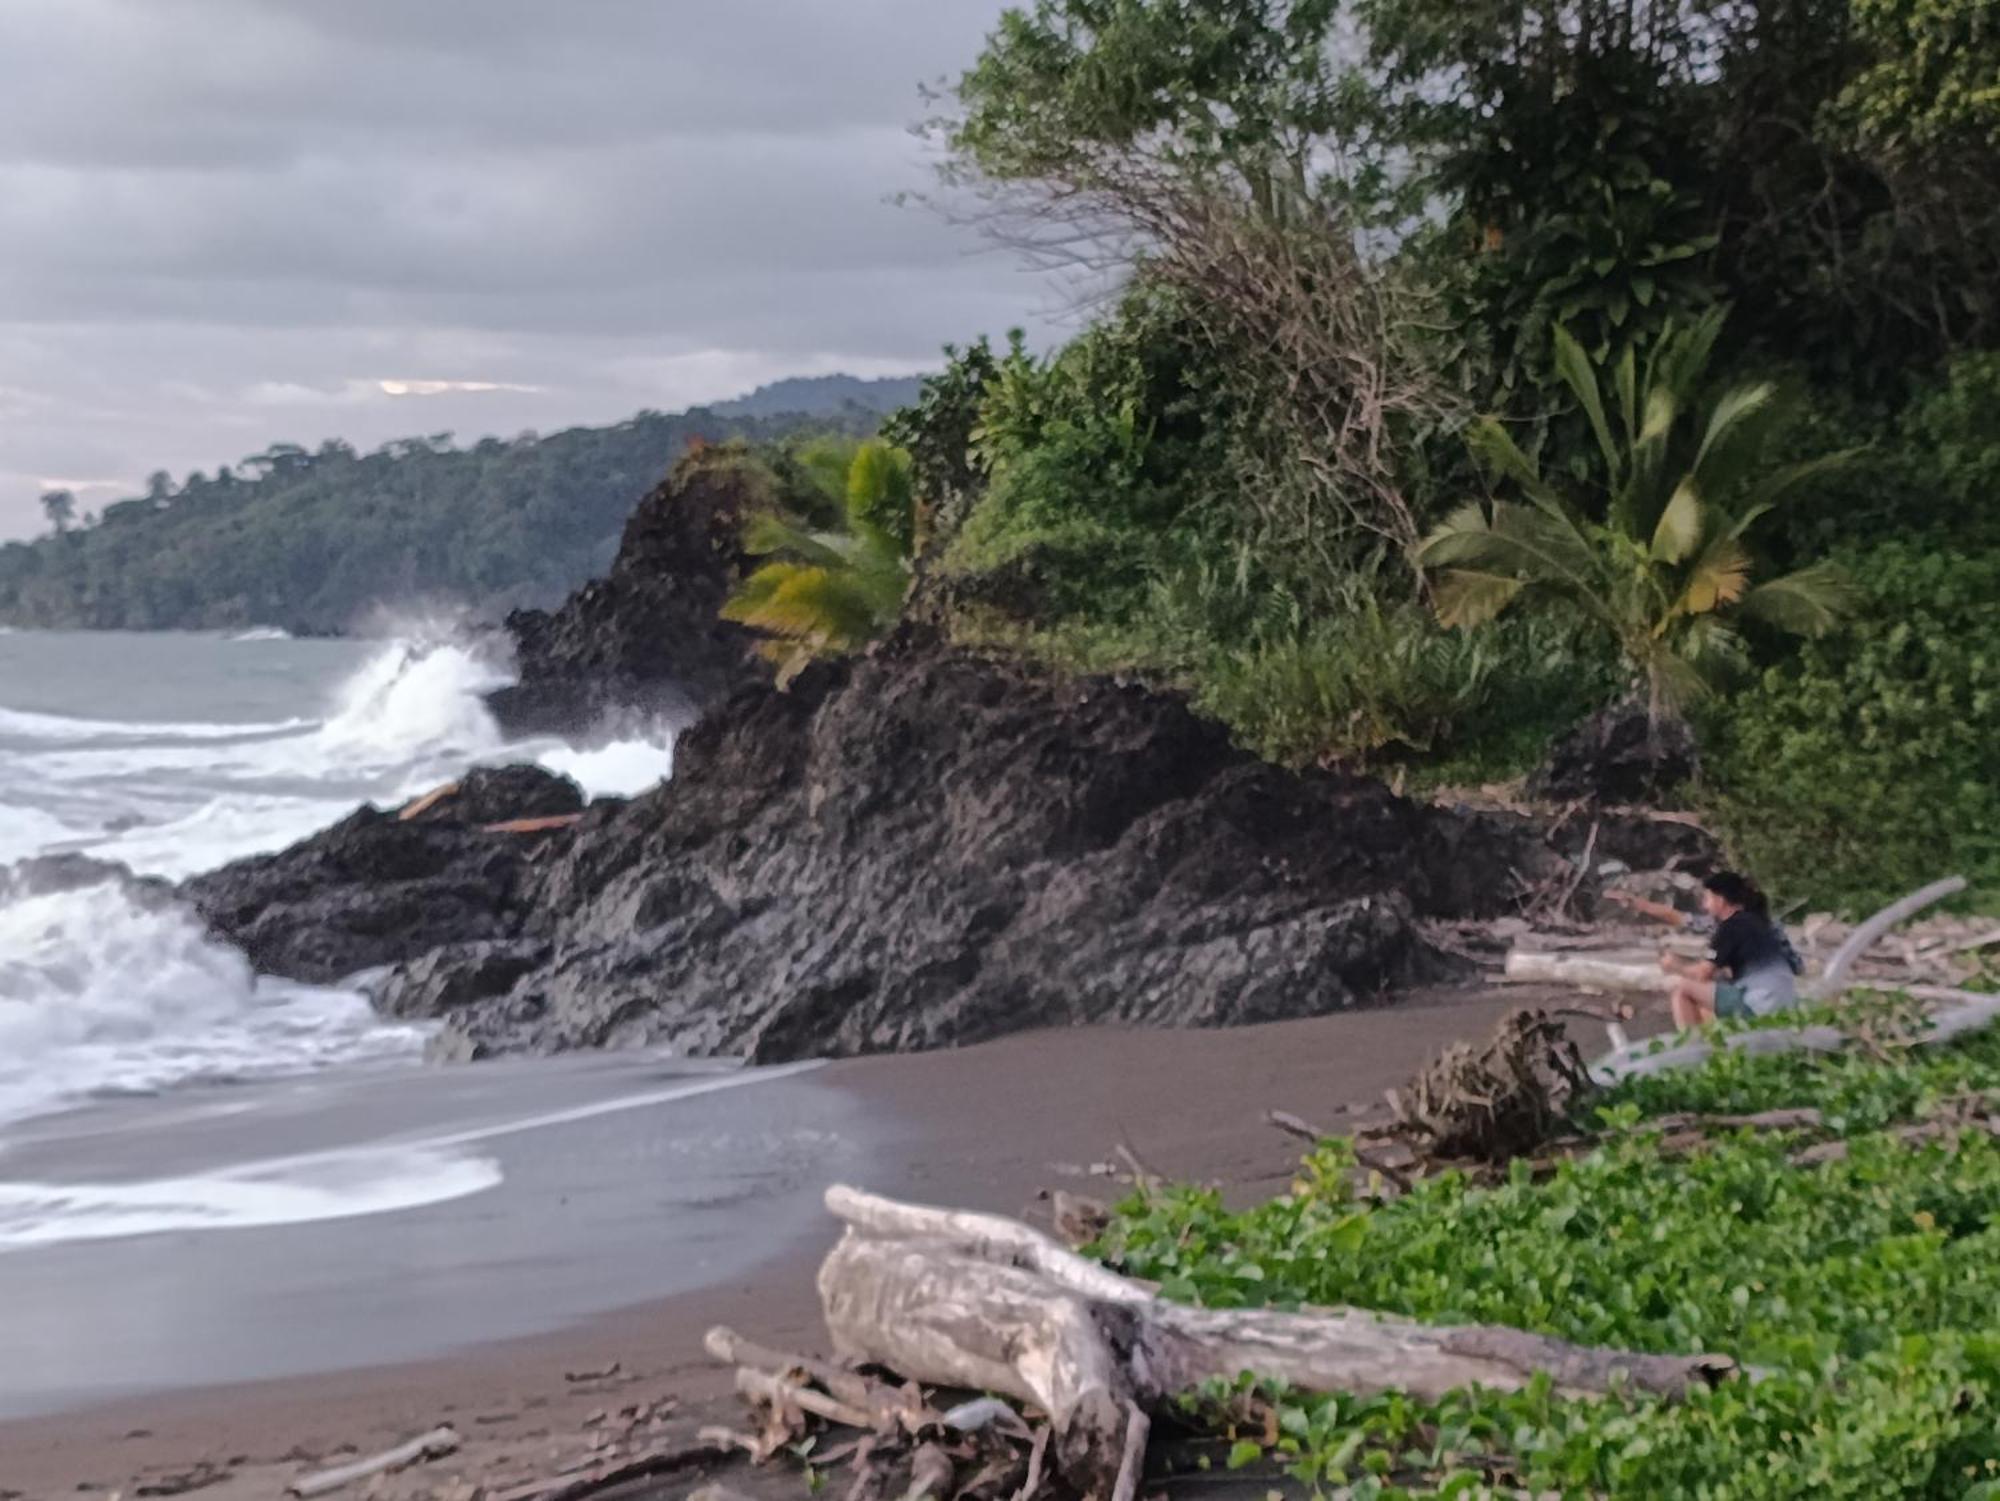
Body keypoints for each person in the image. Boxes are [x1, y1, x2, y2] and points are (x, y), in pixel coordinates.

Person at [1609, 872, 1801, 1027]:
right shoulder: (1768, 925)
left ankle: (1694, 1059)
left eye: (1707, 898)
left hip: (1760, 1007)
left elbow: (1702, 972)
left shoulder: (1730, 926)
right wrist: (1638, 903)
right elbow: (1797, 967)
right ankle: (1718, 1047)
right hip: (1787, 1007)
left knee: (1683, 989)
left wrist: (1675, 965)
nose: (1704, 905)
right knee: (1711, 987)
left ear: (1720, 900)